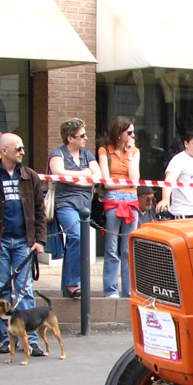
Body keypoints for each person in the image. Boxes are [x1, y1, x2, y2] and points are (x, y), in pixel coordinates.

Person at [0, 133, 46, 355]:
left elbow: (40, 211)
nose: (23, 152)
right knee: (1, 289)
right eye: (18, 148)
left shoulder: (30, 176)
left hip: (24, 241)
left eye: (23, 148)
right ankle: (7, 338)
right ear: (4, 151)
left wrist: (40, 240)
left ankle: (31, 340)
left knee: (25, 290)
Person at [49, 118, 100, 298]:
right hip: (65, 203)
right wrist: (84, 175)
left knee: (81, 241)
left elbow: (98, 177)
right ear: (70, 138)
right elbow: (60, 175)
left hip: (85, 204)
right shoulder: (57, 153)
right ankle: (72, 283)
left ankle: (72, 283)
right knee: (76, 236)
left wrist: (77, 179)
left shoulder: (88, 155)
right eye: (82, 135)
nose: (86, 138)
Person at [98, 116, 141, 298]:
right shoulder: (104, 151)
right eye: (129, 132)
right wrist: (126, 182)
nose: (132, 135)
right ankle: (110, 289)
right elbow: (107, 182)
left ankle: (129, 290)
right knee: (111, 246)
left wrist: (130, 155)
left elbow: (135, 179)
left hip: (131, 198)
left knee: (128, 247)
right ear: (119, 133)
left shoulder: (135, 151)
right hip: (113, 199)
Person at [158, 128, 193, 221]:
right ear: (186, 144)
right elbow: (169, 181)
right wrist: (165, 199)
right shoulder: (178, 160)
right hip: (183, 212)